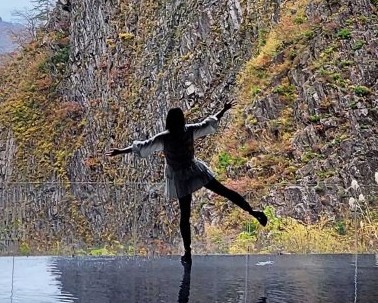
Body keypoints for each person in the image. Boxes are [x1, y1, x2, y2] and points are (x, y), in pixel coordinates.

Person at [108, 101, 267, 265]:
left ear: (168, 121)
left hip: (180, 177)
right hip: (195, 170)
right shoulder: (189, 130)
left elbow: (143, 146)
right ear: (182, 119)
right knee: (225, 192)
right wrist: (223, 110)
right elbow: (208, 124)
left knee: (185, 216)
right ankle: (252, 211)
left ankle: (188, 252)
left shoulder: (164, 137)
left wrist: (120, 151)